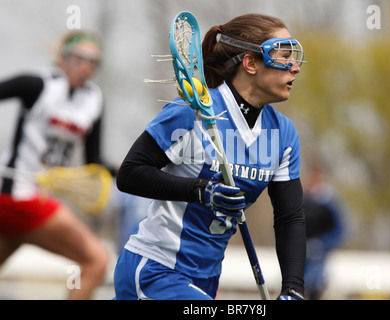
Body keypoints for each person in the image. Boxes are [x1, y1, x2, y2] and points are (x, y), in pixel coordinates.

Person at [113, 13, 307, 300]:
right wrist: (201, 190)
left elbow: (290, 217)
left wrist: (293, 289)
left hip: (206, 279)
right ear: (250, 63)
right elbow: (130, 173)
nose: (294, 68)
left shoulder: (283, 133)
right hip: (155, 269)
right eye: (283, 56)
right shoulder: (191, 112)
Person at [0, 31, 110, 300]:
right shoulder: (39, 84)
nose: (85, 67)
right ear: (61, 58)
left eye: (93, 62)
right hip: (17, 194)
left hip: (32, 198)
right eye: (78, 59)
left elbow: (93, 162)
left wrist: (134, 170)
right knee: (96, 261)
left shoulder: (93, 100)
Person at [302, 159, 347, 299]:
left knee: (317, 289)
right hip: (303, 258)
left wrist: (322, 244)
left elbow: (341, 230)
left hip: (321, 260)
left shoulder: (330, 203)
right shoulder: (304, 200)